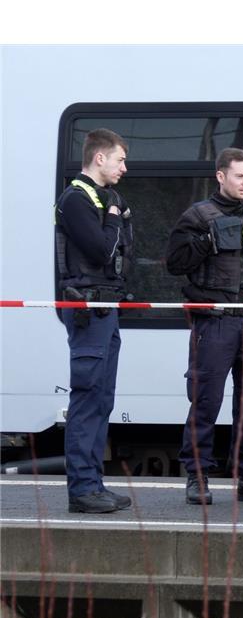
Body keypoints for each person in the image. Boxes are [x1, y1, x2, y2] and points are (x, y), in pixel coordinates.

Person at [166, 148, 243, 506]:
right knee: (206, 401)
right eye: (239, 176)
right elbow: (174, 264)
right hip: (215, 321)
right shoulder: (198, 216)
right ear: (221, 176)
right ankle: (197, 474)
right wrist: (207, 241)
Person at [55, 128, 134, 514]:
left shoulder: (100, 198)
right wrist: (115, 217)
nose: (124, 166)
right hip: (88, 312)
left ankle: (94, 485)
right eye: (119, 159)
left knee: (102, 399)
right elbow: (102, 251)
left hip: (105, 310)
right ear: (98, 158)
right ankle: (83, 489)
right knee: (87, 399)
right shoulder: (75, 199)